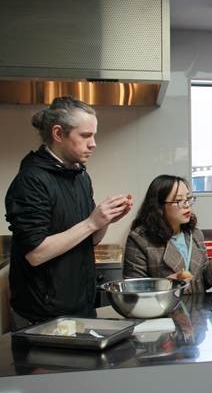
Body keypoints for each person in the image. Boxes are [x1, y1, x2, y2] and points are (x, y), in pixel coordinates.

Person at [5, 96, 133, 324]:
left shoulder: (80, 175)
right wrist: (92, 222)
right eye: (85, 135)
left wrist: (105, 220)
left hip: (80, 306)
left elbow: (88, 240)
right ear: (58, 134)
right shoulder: (31, 180)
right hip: (42, 315)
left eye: (94, 135)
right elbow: (36, 254)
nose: (93, 143)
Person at [123, 175, 212, 294]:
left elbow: (202, 284)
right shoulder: (139, 239)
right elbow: (133, 290)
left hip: (196, 310)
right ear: (159, 206)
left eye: (188, 199)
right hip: (163, 310)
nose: (187, 205)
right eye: (179, 201)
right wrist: (167, 284)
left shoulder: (195, 234)